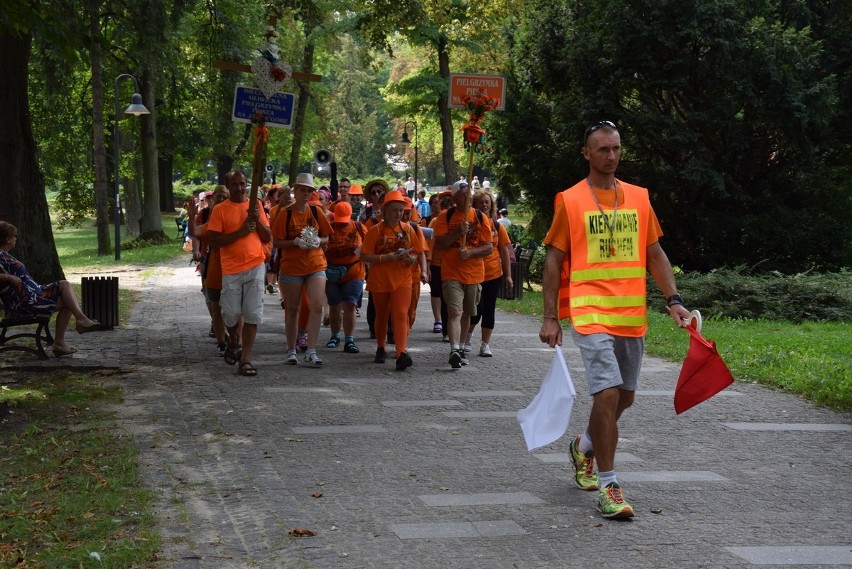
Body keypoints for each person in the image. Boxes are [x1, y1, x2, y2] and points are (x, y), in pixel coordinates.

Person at [538, 120, 691, 520]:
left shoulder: (639, 198)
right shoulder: (570, 201)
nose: (610, 156)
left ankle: (584, 445)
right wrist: (551, 316)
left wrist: (673, 299)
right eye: (602, 149)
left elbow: (654, 253)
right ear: (586, 153)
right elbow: (553, 259)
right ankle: (609, 486)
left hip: (630, 313)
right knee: (606, 394)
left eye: (616, 149)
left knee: (625, 398)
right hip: (590, 313)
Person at [0, 221, 101, 358]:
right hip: (25, 303)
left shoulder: (5, 254)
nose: (16, 238)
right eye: (15, 235)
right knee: (64, 285)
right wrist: (8, 277)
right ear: (7, 238)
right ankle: (80, 322)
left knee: (67, 299)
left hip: (33, 296)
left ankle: (61, 342)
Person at [207, 170, 272, 377]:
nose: (239, 188)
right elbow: (214, 240)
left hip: (255, 265)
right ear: (227, 186)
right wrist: (240, 233)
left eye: (242, 184)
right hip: (231, 269)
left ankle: (245, 359)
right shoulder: (220, 210)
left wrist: (257, 220)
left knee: (252, 314)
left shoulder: (256, 205)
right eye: (234, 184)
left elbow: (267, 235)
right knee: (230, 314)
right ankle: (234, 339)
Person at [271, 173, 333, 366]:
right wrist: (295, 242)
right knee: (293, 309)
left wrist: (317, 241)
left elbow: (327, 238)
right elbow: (277, 242)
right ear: (295, 191)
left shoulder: (316, 212)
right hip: (291, 267)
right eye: (302, 190)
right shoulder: (286, 213)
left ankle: (312, 350)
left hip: (315, 264)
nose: (306, 194)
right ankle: (291, 349)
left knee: (316, 305)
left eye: (309, 191)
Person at [360, 190, 426, 370]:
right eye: (395, 210)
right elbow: (364, 256)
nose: (398, 214)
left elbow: (417, 253)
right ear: (385, 210)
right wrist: (386, 258)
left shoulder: (408, 229)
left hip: (403, 278)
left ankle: (401, 353)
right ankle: (380, 347)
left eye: (401, 210)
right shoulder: (375, 231)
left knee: (400, 314)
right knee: (381, 315)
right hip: (380, 278)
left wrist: (411, 259)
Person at [432, 181, 493, 368]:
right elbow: (440, 244)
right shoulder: (445, 216)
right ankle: (454, 349)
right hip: (451, 272)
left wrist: (471, 253)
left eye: (469, 195)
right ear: (455, 197)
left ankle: (461, 347)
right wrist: (458, 232)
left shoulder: (480, 217)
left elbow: (489, 247)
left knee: (467, 313)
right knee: (454, 311)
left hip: (474, 274)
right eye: (463, 195)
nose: (466, 198)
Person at [465, 190, 513, 357]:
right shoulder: (470, 225)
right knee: (475, 308)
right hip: (474, 273)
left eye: (487, 202)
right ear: (474, 206)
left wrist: (508, 275)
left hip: (493, 274)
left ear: (492, 206)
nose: (484, 205)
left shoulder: (497, 225)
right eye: (481, 202)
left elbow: (504, 251)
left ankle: (485, 345)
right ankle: (468, 337)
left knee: (489, 309)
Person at [186, 185, 231, 356]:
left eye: (225, 195)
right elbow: (196, 234)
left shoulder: (233, 213)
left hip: (232, 266)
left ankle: (234, 339)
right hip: (209, 260)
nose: (222, 198)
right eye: (219, 195)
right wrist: (196, 251)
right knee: (213, 302)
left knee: (232, 307)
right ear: (213, 199)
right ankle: (221, 339)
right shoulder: (206, 214)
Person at [323, 201, 366, 354]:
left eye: (344, 221)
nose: (341, 225)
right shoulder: (328, 227)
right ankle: (335, 336)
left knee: (349, 305)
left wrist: (362, 250)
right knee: (334, 305)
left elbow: (370, 243)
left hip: (354, 272)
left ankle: (349, 340)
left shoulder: (358, 227)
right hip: (331, 272)